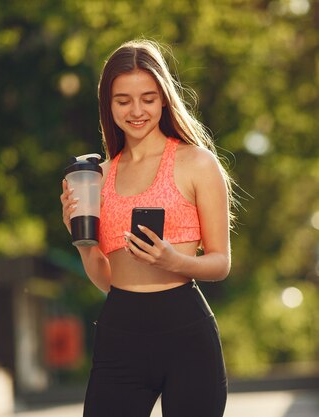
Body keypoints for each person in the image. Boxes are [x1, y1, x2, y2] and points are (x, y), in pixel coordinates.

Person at [60, 39, 235, 417]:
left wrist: (174, 260)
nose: (136, 111)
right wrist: (83, 243)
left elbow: (220, 262)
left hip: (187, 333)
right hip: (119, 332)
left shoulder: (197, 163)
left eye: (148, 98)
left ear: (164, 99)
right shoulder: (97, 177)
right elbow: (109, 280)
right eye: (123, 100)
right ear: (108, 103)